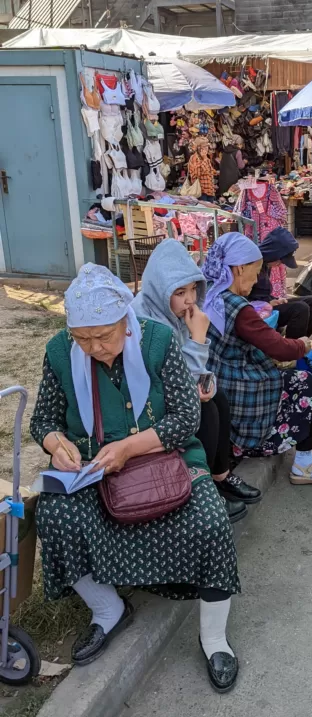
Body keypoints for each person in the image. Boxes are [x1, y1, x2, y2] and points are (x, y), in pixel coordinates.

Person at [30, 264, 240, 691]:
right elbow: (43, 421)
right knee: (55, 517)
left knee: (211, 522)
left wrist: (128, 447)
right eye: (83, 338)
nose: (94, 347)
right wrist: (56, 443)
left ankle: (214, 637)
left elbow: (186, 418)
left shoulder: (157, 341)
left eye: (104, 336)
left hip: (165, 459)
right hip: (92, 470)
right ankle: (108, 611)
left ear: (126, 322)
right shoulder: (58, 352)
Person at [132, 238, 262, 520]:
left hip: (170, 387)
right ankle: (202, 491)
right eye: (180, 291)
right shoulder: (146, 320)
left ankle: (220, 477)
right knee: (204, 411)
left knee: (218, 398)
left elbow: (194, 376)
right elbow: (175, 378)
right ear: (160, 288)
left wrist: (206, 383)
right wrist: (199, 338)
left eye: (193, 289)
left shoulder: (173, 312)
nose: (190, 300)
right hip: (146, 402)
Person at [204, 232, 312, 486]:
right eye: (255, 272)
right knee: (302, 380)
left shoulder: (211, 295)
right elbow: (279, 349)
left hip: (219, 379)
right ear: (240, 268)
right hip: (236, 386)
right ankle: (303, 462)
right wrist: (302, 345)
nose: (257, 279)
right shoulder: (238, 307)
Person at [249, 227, 312, 339]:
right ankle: (292, 350)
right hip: (256, 310)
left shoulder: (266, 264)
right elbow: (244, 298)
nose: (279, 265)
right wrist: (266, 304)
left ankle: (302, 344)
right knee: (300, 309)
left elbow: (261, 293)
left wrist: (274, 300)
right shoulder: (251, 265)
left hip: (266, 304)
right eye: (279, 261)